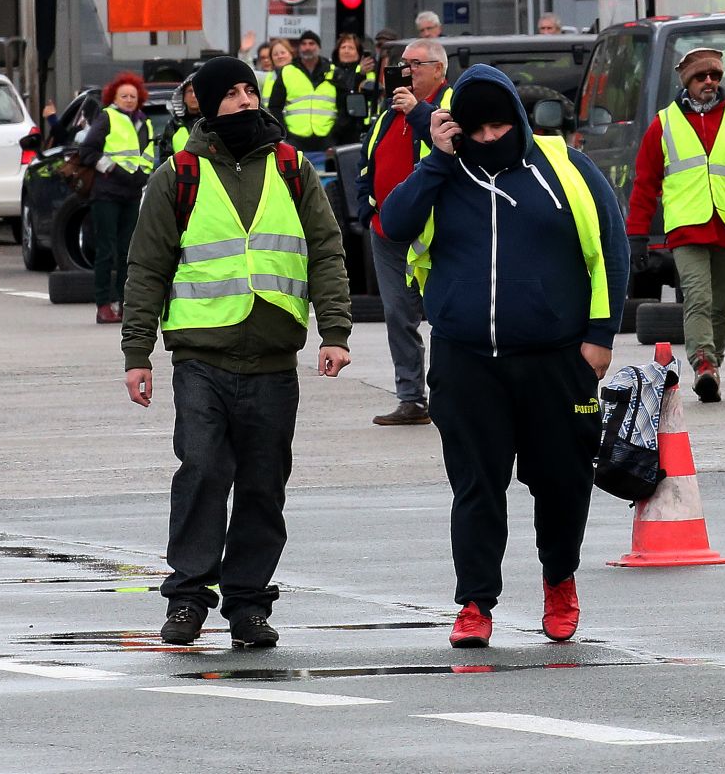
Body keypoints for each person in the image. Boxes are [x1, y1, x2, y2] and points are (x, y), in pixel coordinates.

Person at [379, 64, 626, 649]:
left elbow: (611, 250)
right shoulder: (443, 172)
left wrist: (600, 336)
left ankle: (559, 579)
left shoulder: (565, 167)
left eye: (499, 126)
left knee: (562, 482)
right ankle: (474, 603)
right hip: (466, 359)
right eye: (477, 129)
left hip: (556, 359)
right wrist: (437, 160)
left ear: (517, 117)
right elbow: (392, 223)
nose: (489, 138)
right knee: (476, 486)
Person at [121, 56, 353, 648]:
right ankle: (188, 598)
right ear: (206, 105)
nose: (246, 100)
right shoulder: (179, 174)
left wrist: (335, 332)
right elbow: (147, 268)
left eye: (251, 89)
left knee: (262, 486)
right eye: (232, 93)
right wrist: (137, 353)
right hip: (202, 358)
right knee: (201, 472)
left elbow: (326, 252)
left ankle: (248, 604)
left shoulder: (292, 167)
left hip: (274, 360)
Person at [625, 47, 725, 402]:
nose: (709, 82)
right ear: (687, 82)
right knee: (698, 295)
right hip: (686, 226)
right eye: (700, 76)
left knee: (724, 303)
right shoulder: (663, 124)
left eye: (715, 76)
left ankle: (713, 366)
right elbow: (645, 183)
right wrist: (636, 235)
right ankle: (703, 364)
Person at [358, 38, 451, 427]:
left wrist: (417, 111)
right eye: (402, 64)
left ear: (439, 70)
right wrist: (366, 207)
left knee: (446, 315)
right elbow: (368, 160)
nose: (405, 71)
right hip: (387, 232)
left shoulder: (449, 106)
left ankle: (450, 396)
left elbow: (454, 149)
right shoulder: (388, 113)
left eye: (415, 64)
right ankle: (411, 398)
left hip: (436, 233)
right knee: (398, 315)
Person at [76, 73, 154, 324]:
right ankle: (103, 305)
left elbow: (148, 154)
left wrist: (143, 175)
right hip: (107, 194)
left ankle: (123, 303)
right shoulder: (107, 117)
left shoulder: (145, 122)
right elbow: (87, 151)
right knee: (106, 250)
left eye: (133, 96)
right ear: (114, 98)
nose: (129, 100)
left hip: (132, 193)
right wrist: (113, 169)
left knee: (127, 252)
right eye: (124, 96)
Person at [266, 31, 339, 161]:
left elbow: (342, 105)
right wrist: (285, 134)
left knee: (329, 173)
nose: (307, 47)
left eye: (311, 43)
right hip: (295, 139)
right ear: (299, 48)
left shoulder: (333, 71)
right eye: (304, 44)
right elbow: (275, 106)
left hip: (327, 139)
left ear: (319, 47)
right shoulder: (287, 71)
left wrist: (335, 134)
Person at [330, 33, 378, 147]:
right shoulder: (331, 72)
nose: (346, 51)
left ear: (358, 53)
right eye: (343, 47)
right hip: (336, 129)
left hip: (362, 127)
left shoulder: (369, 72)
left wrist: (361, 75)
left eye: (351, 48)